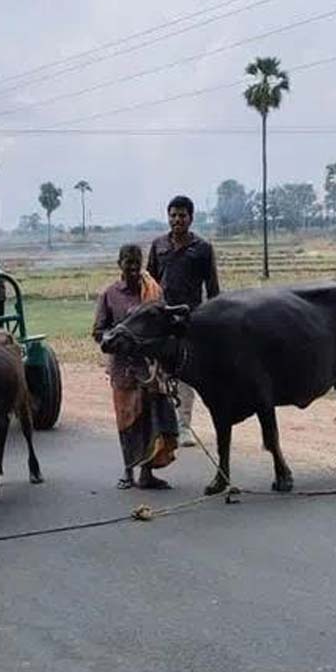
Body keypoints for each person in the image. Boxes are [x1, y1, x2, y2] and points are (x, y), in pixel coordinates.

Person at [93, 244, 179, 490]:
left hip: (148, 368)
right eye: (127, 262)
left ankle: (147, 474)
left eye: (136, 262)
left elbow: (163, 327)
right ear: (119, 264)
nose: (132, 268)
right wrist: (118, 340)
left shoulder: (152, 292)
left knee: (151, 419)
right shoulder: (110, 294)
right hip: (123, 368)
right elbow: (98, 332)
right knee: (127, 421)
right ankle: (128, 472)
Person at [146, 195, 219, 447]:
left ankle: (184, 426)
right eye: (173, 215)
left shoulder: (203, 248)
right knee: (160, 372)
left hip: (191, 319)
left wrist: (213, 320)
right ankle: (164, 426)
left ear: (191, 218)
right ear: (168, 217)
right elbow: (150, 283)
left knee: (186, 373)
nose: (177, 220)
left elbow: (213, 289)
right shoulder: (158, 246)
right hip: (162, 319)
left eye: (182, 215)